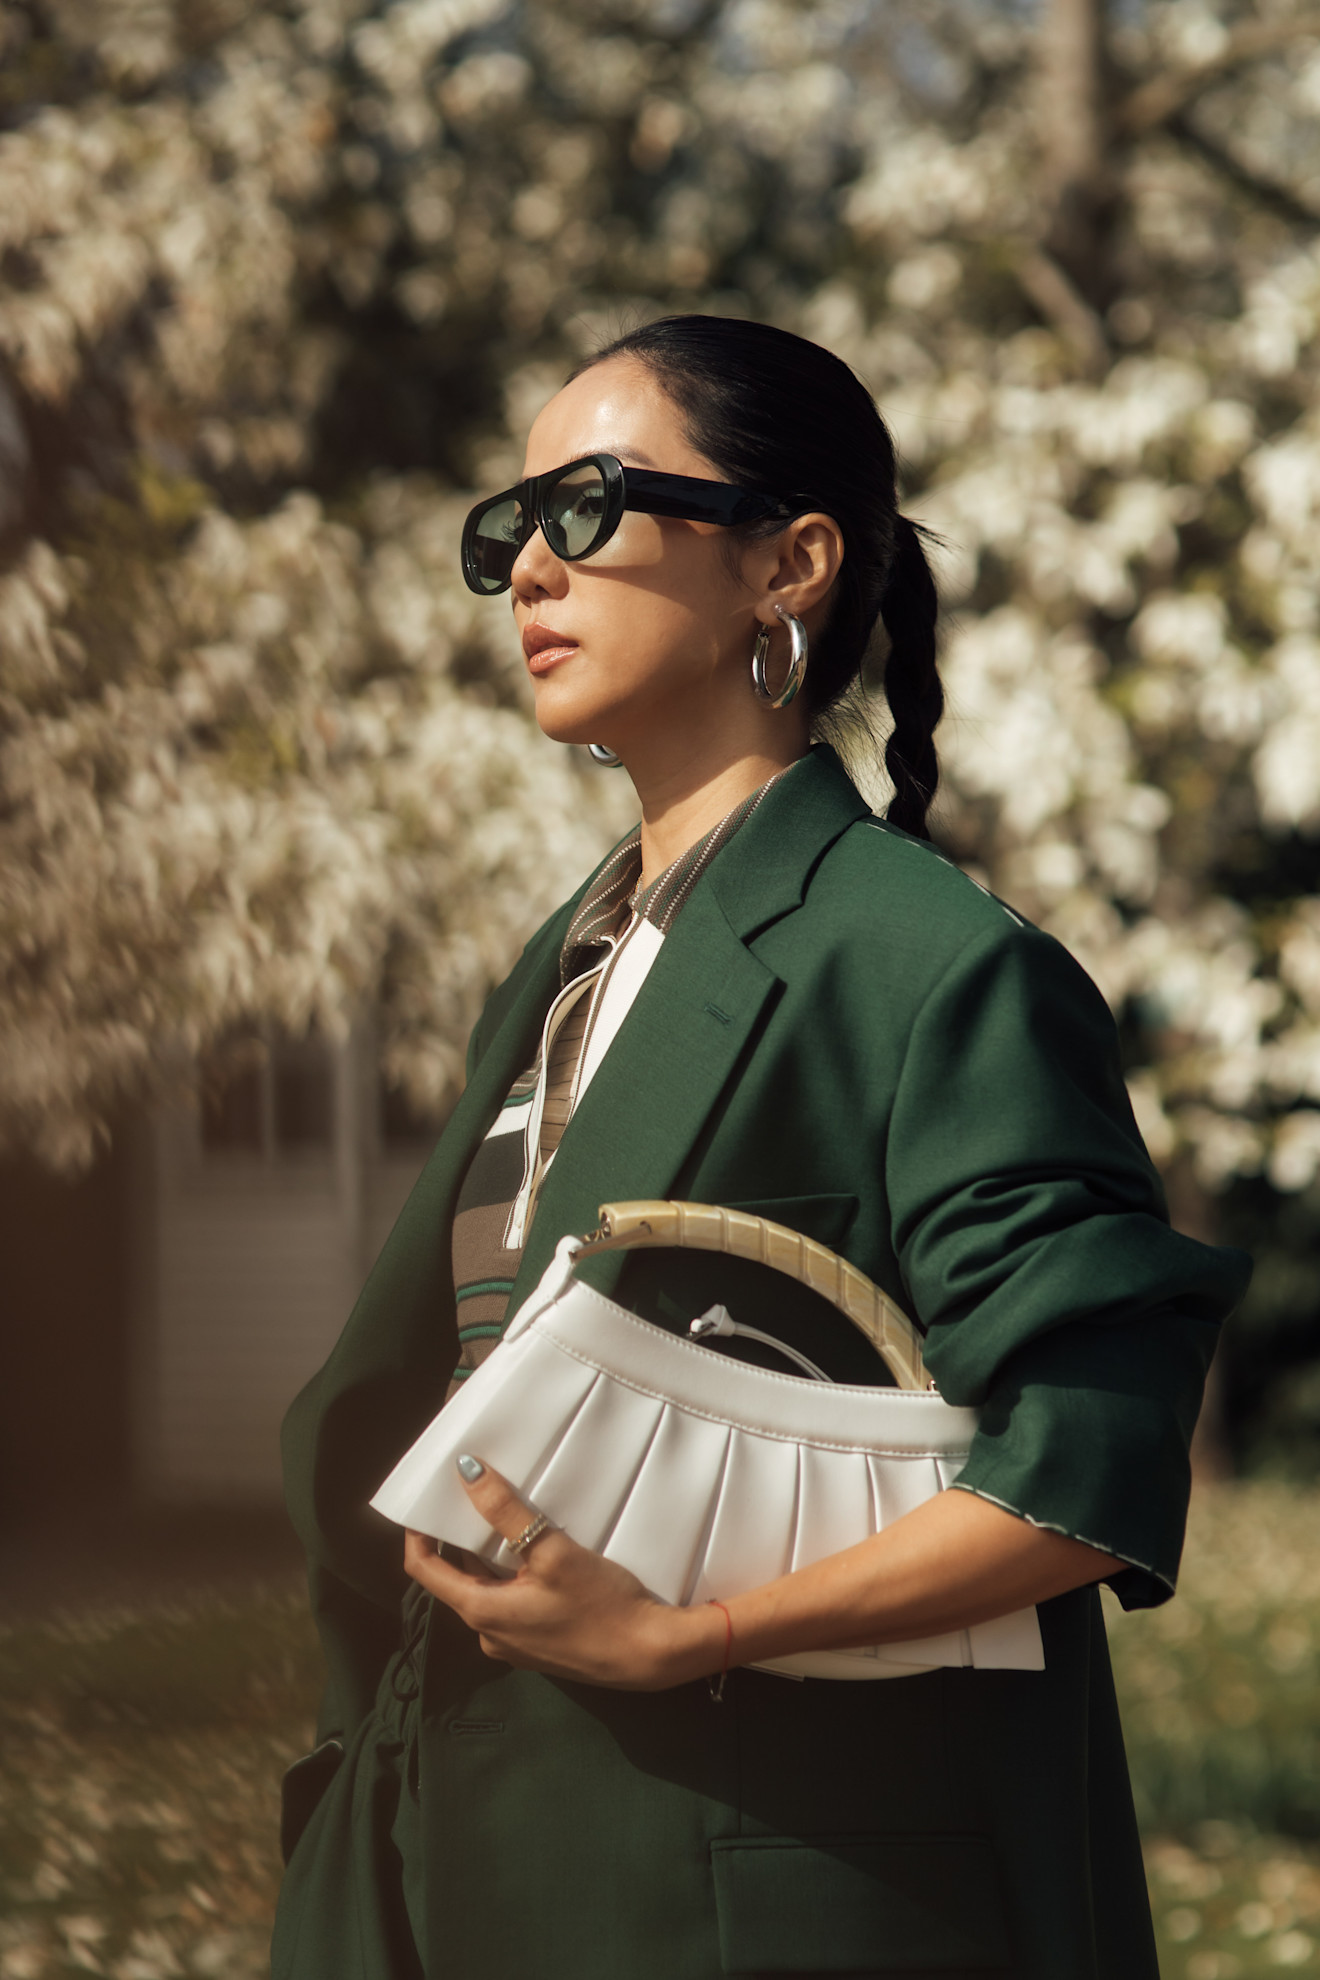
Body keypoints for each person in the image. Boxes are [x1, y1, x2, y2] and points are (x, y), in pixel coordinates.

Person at [272, 316, 1250, 1980]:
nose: (528, 572)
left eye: (586, 508)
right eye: (508, 530)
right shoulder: (564, 959)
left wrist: (692, 1635)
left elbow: (1081, 1470)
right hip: (460, 1884)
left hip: (750, 1902)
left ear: (788, 564)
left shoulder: (928, 962)